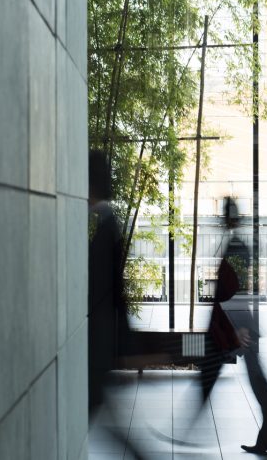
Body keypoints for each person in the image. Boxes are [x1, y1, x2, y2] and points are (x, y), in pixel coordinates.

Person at [196, 197, 267, 454]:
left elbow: (239, 288)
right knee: (253, 378)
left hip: (239, 325)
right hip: (237, 323)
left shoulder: (236, 246)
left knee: (255, 379)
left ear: (227, 218)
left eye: (224, 216)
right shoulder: (238, 244)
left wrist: (240, 327)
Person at [87, 151, 145, 459]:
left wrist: (122, 348)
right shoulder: (107, 224)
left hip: (99, 343)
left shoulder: (107, 228)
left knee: (103, 421)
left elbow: (111, 292)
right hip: (102, 342)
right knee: (110, 425)